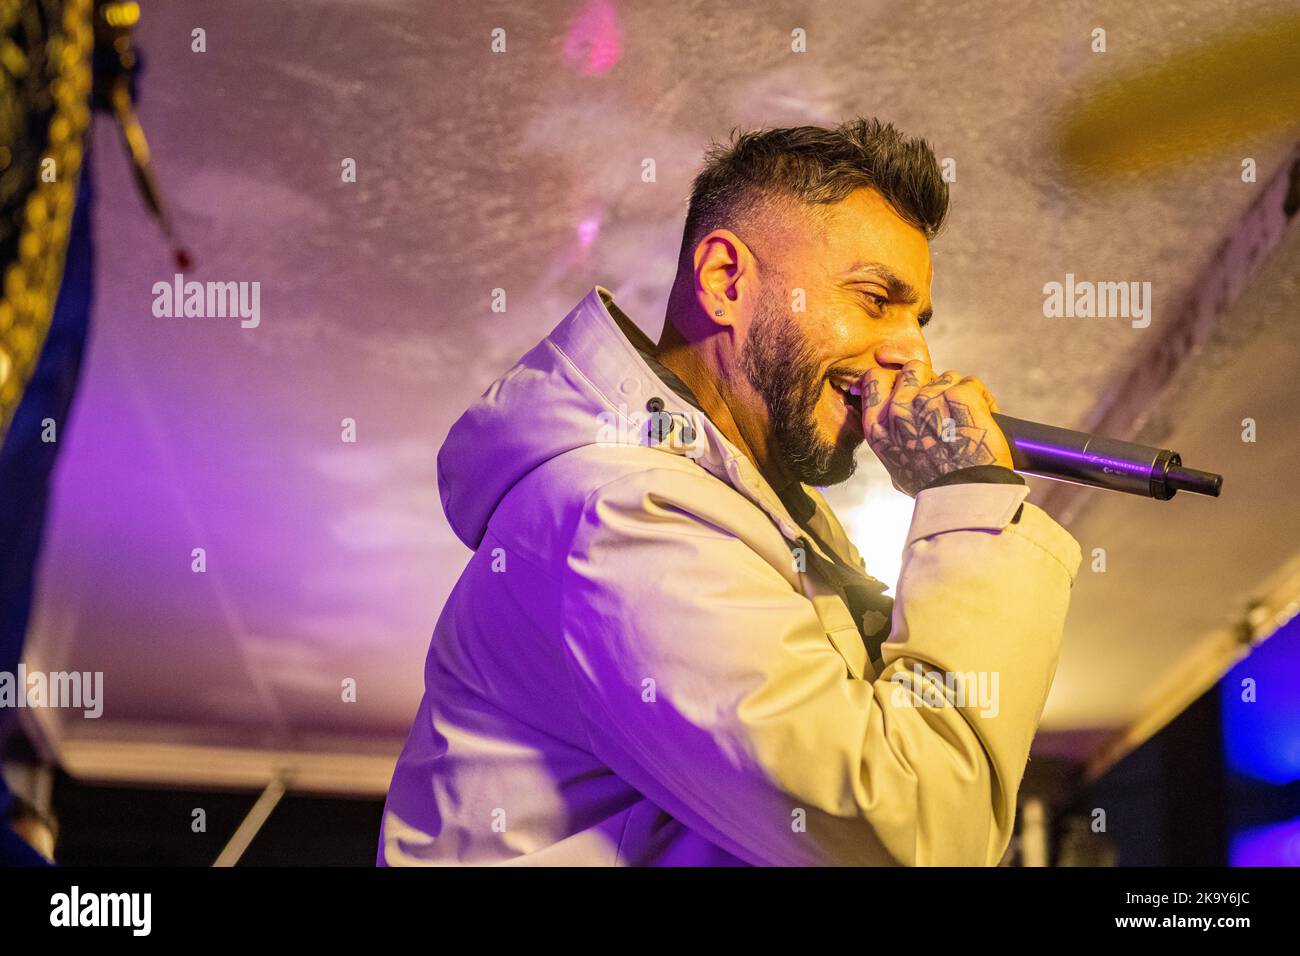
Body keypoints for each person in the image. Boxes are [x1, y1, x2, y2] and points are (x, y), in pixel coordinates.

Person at [380, 117, 1082, 866]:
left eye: (919, 319)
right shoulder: (621, 514)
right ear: (725, 280)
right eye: (877, 299)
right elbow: (918, 826)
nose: (913, 354)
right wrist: (967, 498)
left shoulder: (748, 524)